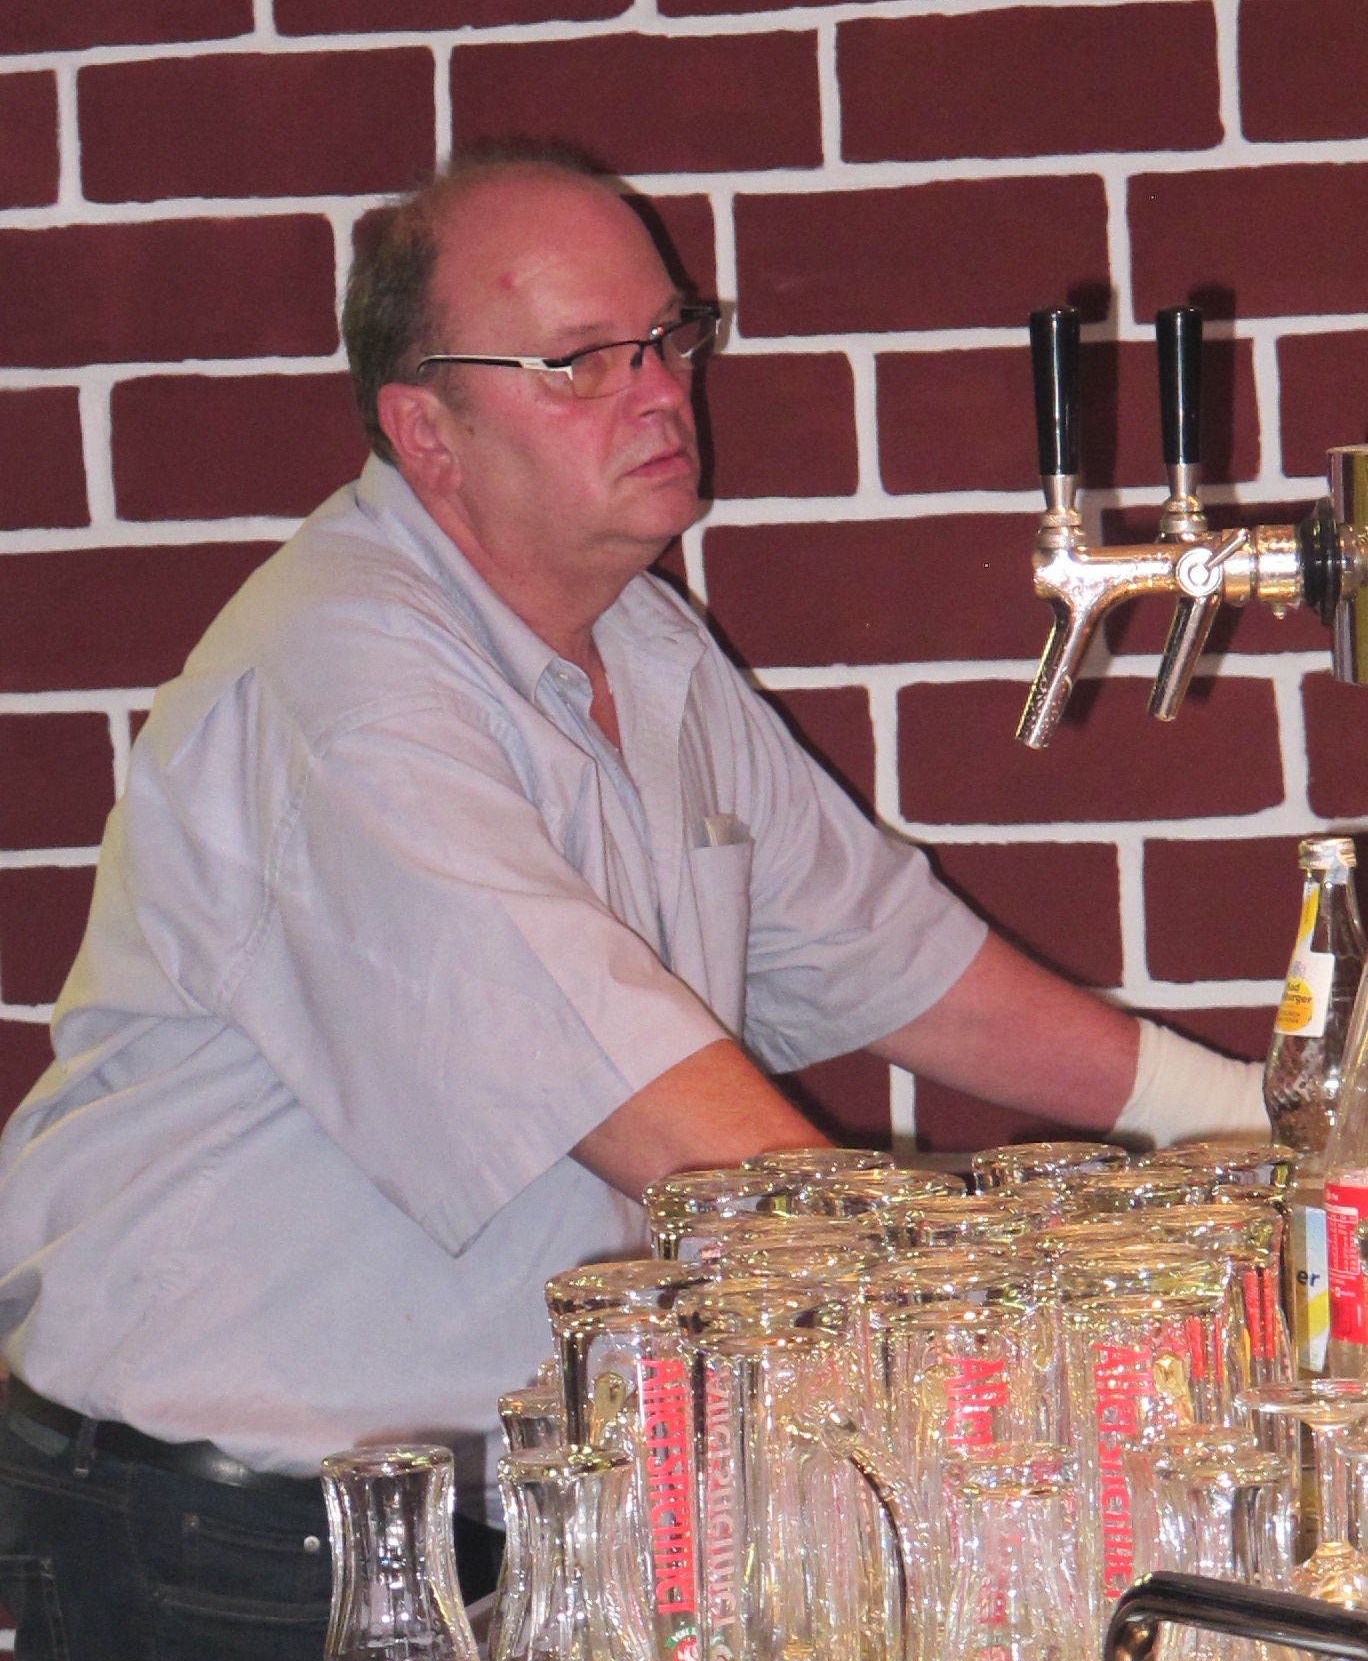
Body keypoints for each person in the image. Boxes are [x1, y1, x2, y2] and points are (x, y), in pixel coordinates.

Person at [0, 144, 1266, 1658]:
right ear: (427, 430)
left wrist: (1259, 1119)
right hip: (226, 1541)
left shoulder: (647, 647)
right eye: (580, 361)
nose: (659, 392)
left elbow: (903, 966)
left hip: (488, 1503)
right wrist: (993, 1350)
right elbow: (646, 1105)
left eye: (669, 338)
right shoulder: (347, 682)